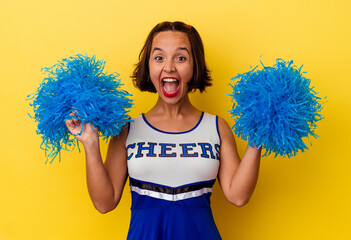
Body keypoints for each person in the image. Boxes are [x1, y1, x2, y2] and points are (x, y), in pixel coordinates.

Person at [66, 21, 262, 240]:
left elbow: (238, 196)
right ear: (148, 67)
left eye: (181, 58)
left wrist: (258, 138)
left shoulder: (216, 127)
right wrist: (91, 144)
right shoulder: (127, 129)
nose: (169, 67)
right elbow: (104, 203)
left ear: (195, 66)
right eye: (159, 58)